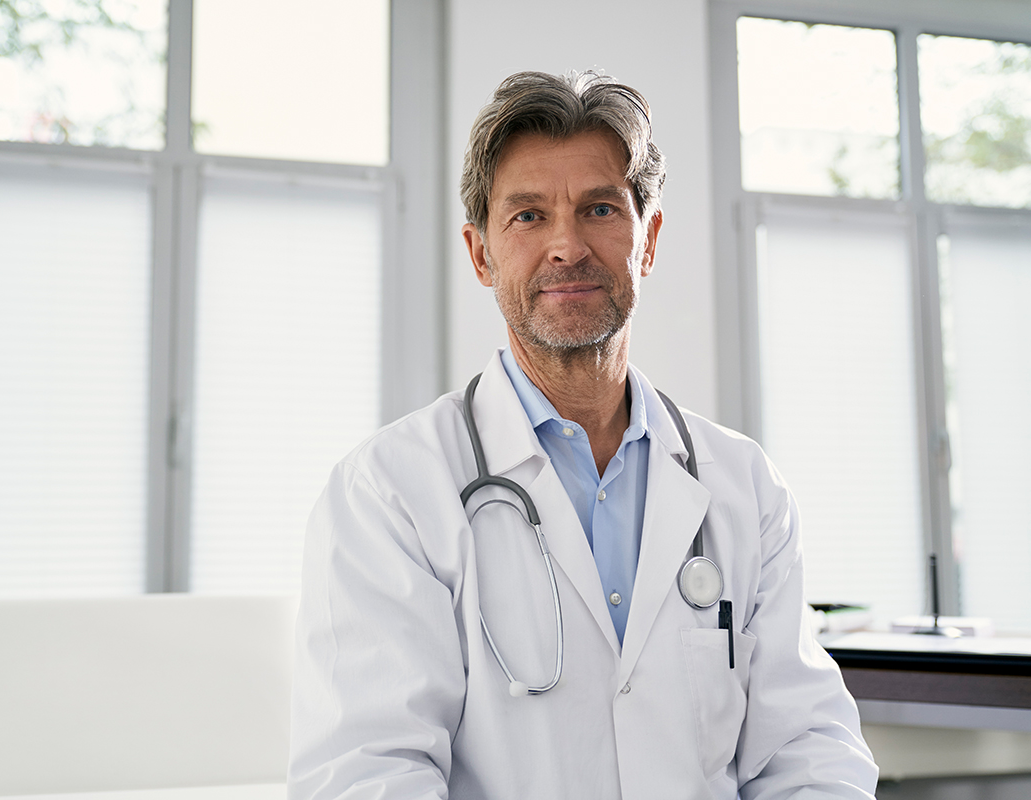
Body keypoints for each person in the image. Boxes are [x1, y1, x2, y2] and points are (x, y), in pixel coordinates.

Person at [289, 70, 878, 800]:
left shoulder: (744, 484)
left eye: (600, 208)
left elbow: (809, 749)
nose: (567, 246)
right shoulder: (390, 491)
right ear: (481, 254)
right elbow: (369, 774)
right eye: (528, 216)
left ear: (648, 240)